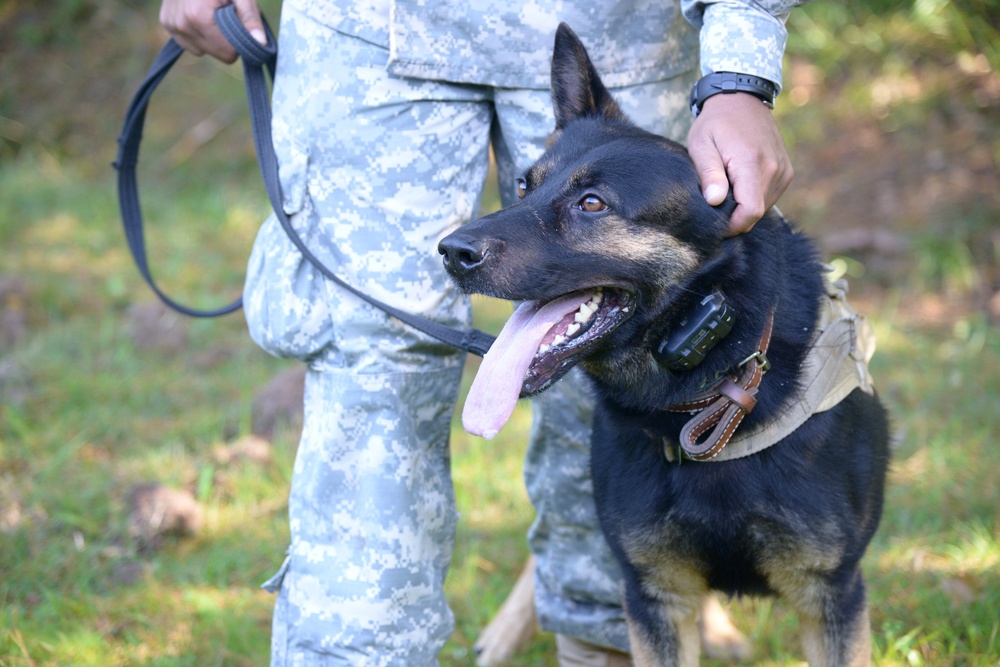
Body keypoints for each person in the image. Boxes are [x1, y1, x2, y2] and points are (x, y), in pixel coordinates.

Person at [159, 0, 798, 664]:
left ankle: (606, 641)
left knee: (645, 359)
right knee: (369, 362)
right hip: (366, 35)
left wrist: (739, 71)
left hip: (620, 25)